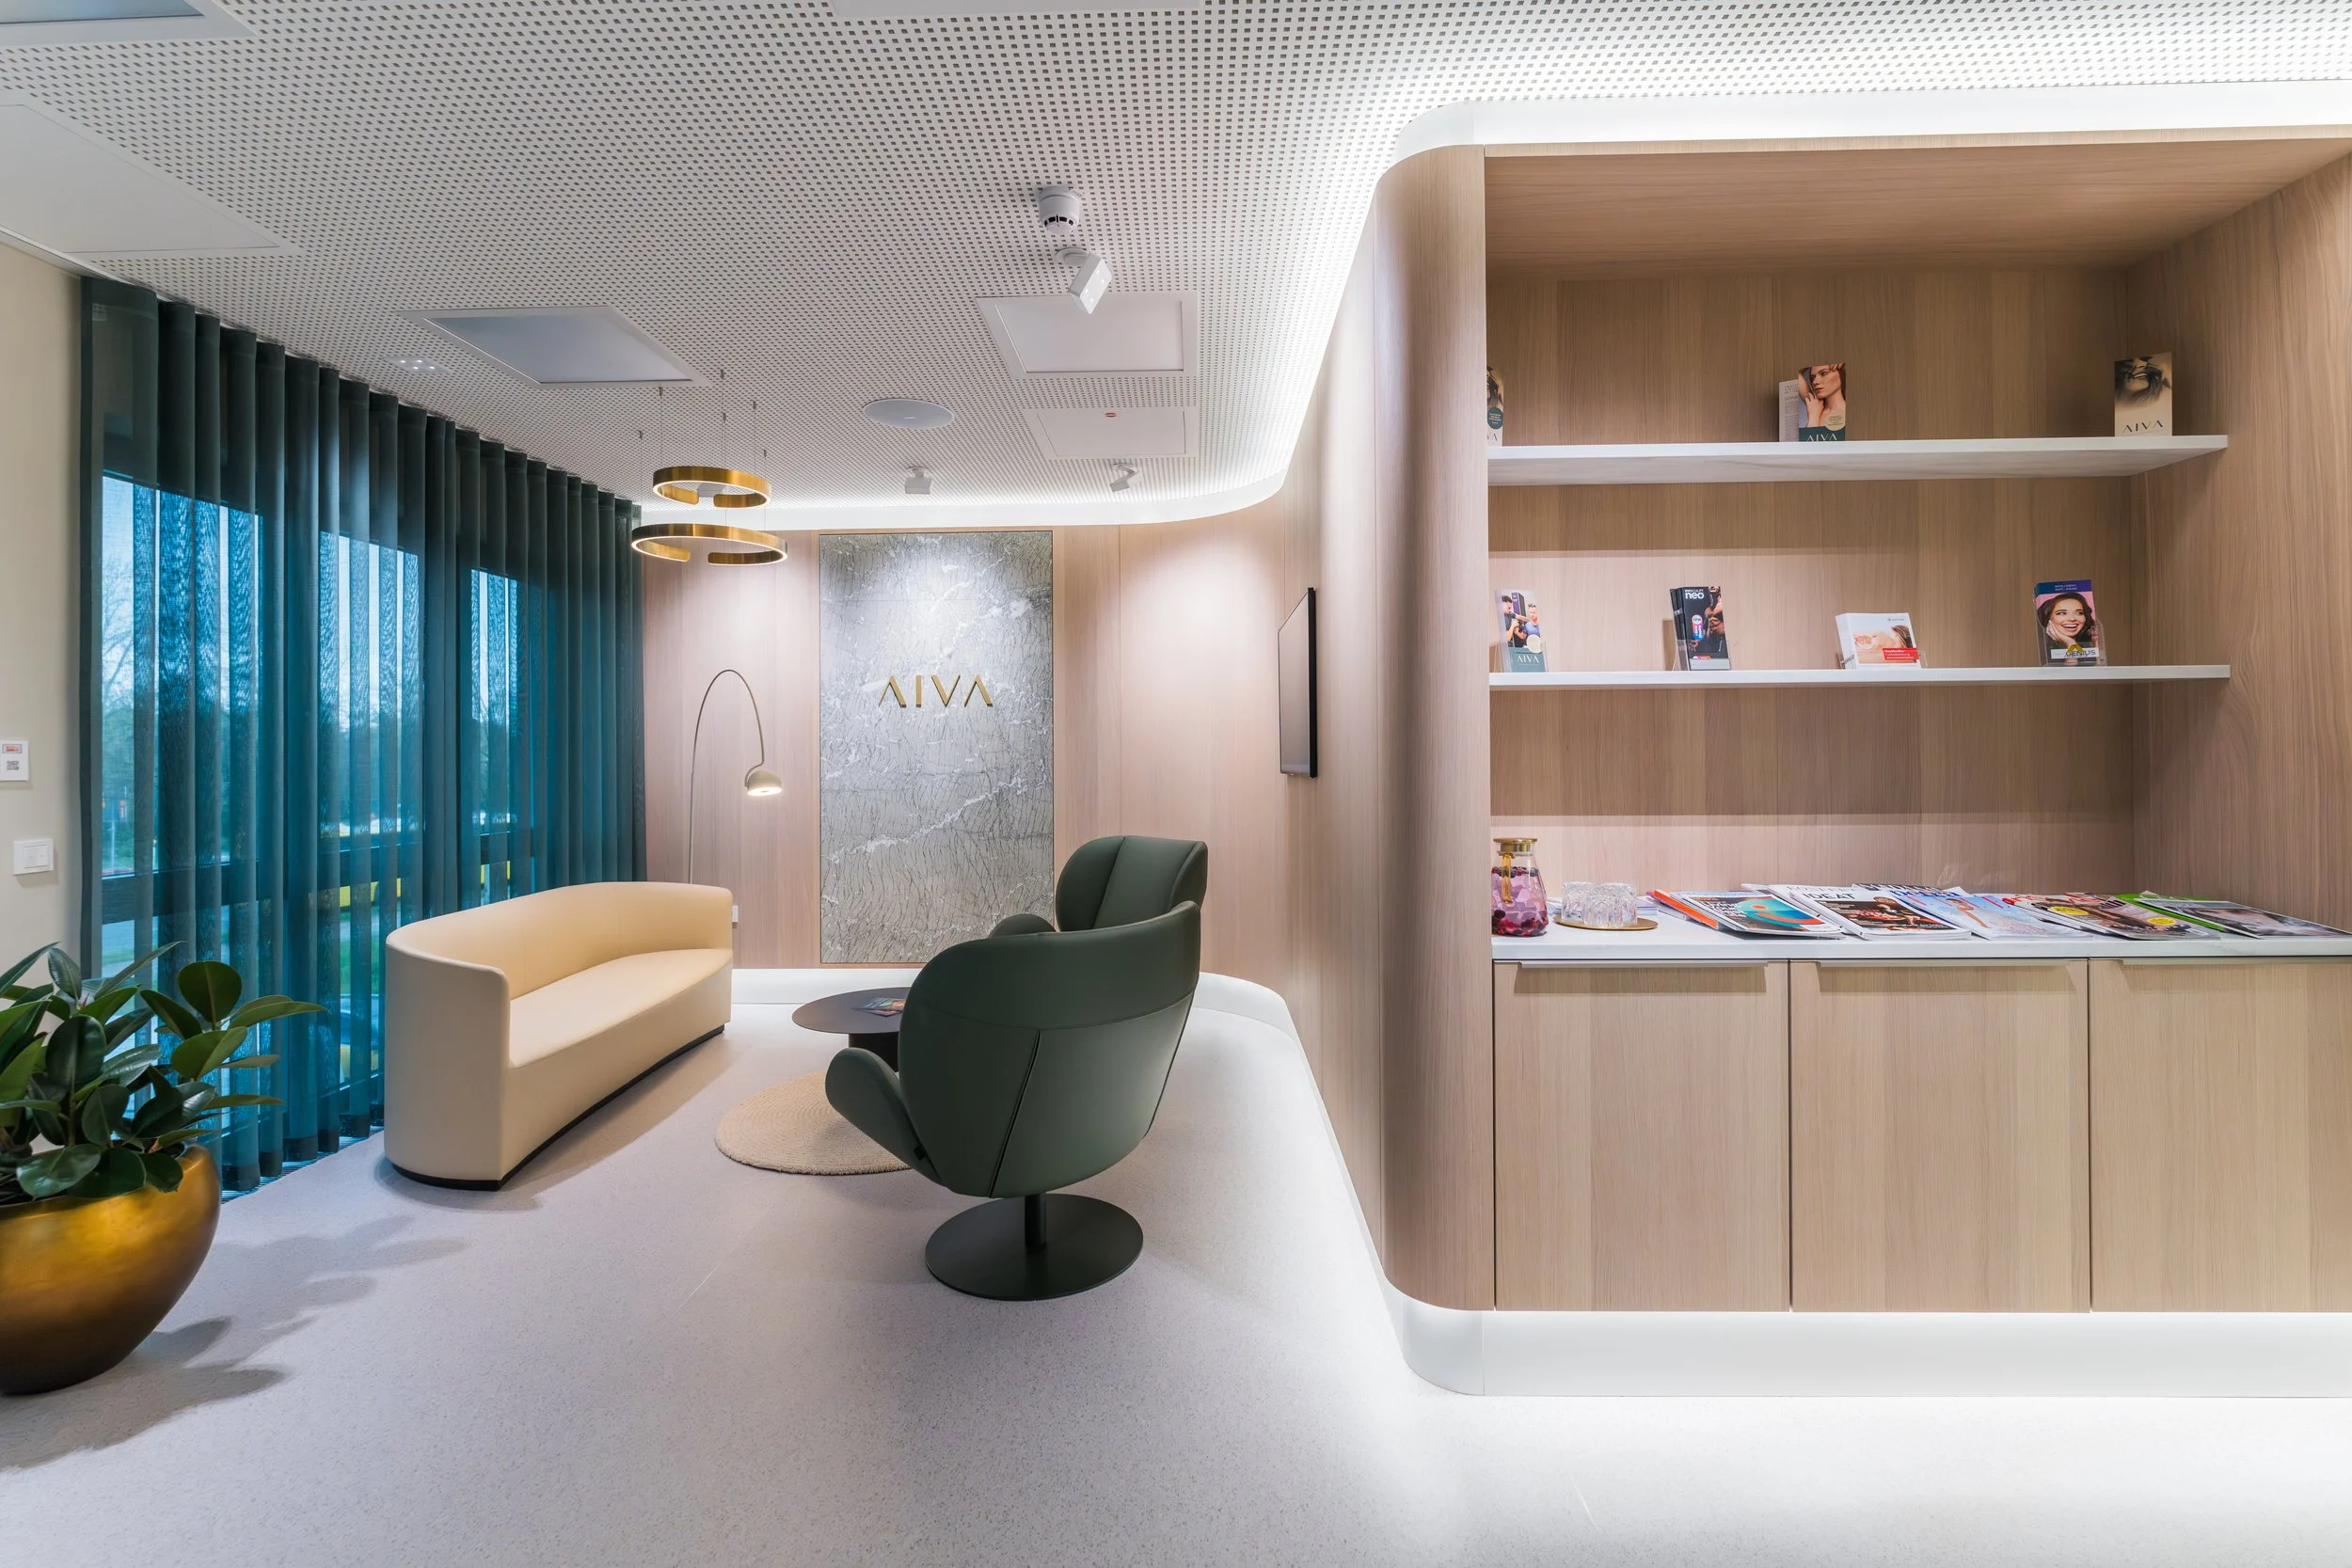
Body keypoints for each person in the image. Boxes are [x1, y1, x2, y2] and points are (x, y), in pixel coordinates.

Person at [2039, 590, 2100, 660]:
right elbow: (2073, 666)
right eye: (2062, 613)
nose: (2072, 619)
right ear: (2048, 618)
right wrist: (2071, 644)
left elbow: (2098, 666)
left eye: (2079, 613)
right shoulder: (2042, 649)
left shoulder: (2093, 640)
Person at [1799, 362, 1847, 434]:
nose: (1815, 382)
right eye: (1812, 378)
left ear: (1841, 373)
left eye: (1823, 373)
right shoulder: (1815, 406)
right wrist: (1813, 417)